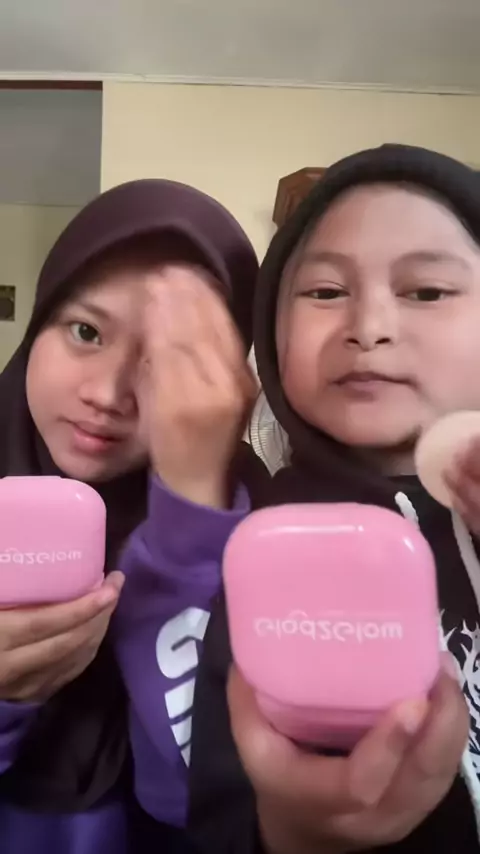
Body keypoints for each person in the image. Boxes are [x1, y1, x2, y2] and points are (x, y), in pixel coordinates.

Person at [117, 144, 480, 852]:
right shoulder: (268, 549)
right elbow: (216, 809)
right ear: (271, 335)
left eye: (428, 292)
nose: (368, 326)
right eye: (325, 292)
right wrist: (297, 832)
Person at [0, 177, 261, 854]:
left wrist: (193, 512)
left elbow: (213, 805)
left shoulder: (261, 526)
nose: (109, 394)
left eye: (162, 363)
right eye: (86, 332)